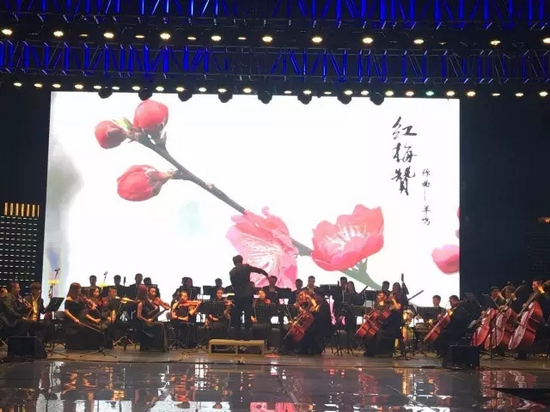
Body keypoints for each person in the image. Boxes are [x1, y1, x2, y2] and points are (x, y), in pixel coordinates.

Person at [229, 255, 268, 335]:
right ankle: (247, 333)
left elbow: (233, 284)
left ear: (234, 262)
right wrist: (265, 273)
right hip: (247, 294)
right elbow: (257, 270)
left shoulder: (232, 272)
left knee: (238, 313)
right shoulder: (246, 267)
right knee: (247, 313)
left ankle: (237, 332)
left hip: (238, 295)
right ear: (242, 260)